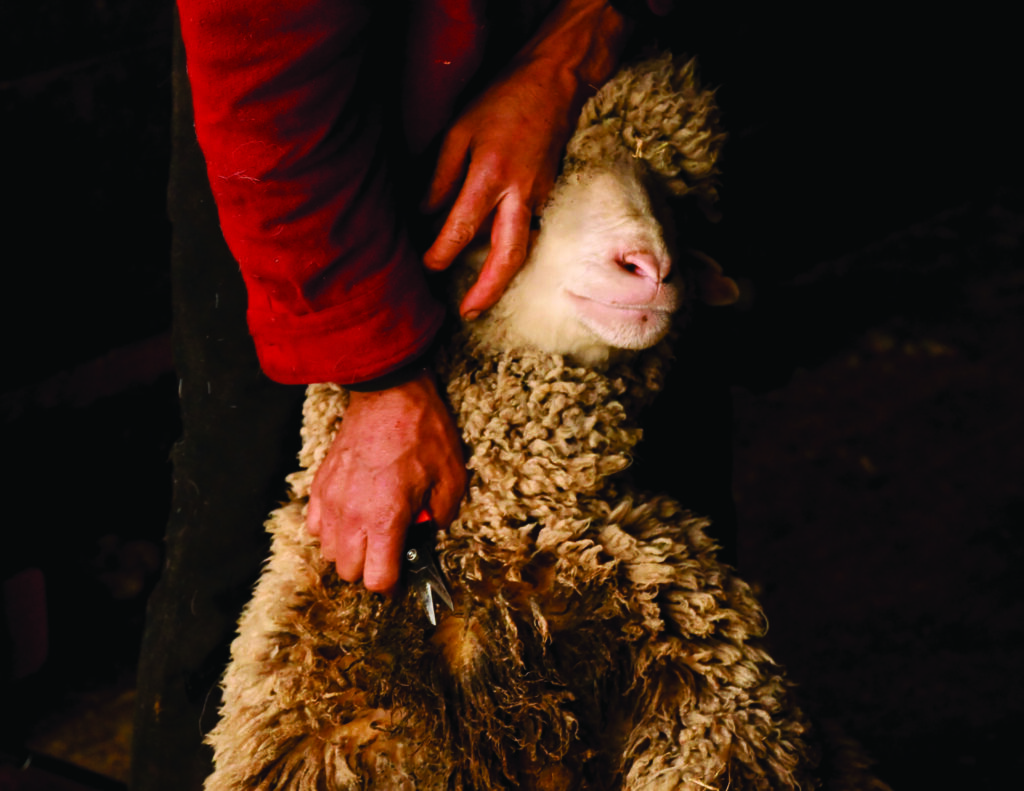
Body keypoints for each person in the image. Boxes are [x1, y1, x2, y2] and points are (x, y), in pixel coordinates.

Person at [174, 0, 667, 593]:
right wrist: (380, 379)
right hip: (295, 132)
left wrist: (579, 44)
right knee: (251, 513)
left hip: (600, 57)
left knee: (649, 510)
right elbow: (264, 83)